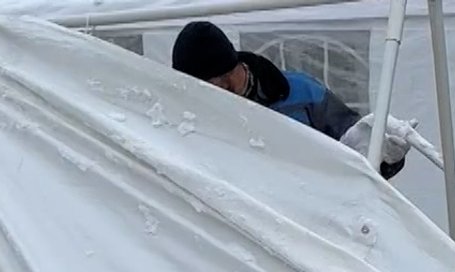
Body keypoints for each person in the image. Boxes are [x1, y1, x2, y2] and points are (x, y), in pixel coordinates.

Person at [170, 21, 406, 180]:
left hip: (318, 225)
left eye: (225, 77)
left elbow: (358, 152)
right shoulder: (186, 120)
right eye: (206, 85)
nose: (220, 88)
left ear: (236, 63)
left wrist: (384, 157)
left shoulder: (301, 93)